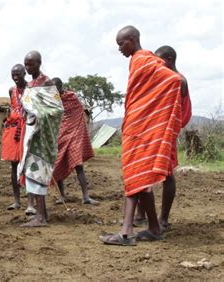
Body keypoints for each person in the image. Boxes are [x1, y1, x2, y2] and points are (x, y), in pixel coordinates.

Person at [100, 26, 183, 246]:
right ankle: (154, 228)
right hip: (137, 129)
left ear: (133, 39)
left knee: (135, 176)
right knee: (139, 178)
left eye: (121, 44)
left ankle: (126, 232)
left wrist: (154, 116)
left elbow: (174, 80)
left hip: (142, 131)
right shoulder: (138, 60)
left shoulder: (143, 59)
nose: (119, 49)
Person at [133, 45, 192, 230]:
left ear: (169, 60)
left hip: (166, 133)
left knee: (167, 174)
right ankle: (140, 215)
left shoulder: (178, 80)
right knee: (145, 171)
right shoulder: (163, 79)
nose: (156, 65)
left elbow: (173, 110)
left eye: (160, 61)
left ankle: (163, 219)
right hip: (152, 131)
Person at [19, 51, 63, 227]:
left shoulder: (48, 83)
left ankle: (41, 218)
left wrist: (39, 114)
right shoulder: (30, 85)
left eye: (31, 64)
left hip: (43, 136)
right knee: (32, 173)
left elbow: (58, 110)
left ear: (39, 63)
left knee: (39, 173)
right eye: (26, 64)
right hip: (31, 134)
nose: (28, 68)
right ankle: (41, 213)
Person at [51, 77, 99, 206]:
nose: (54, 92)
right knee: (58, 164)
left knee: (79, 165)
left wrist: (77, 133)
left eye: (56, 89)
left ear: (61, 87)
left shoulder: (72, 98)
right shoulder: (52, 101)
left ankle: (86, 196)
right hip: (60, 136)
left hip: (75, 136)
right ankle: (62, 196)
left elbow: (79, 116)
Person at [1, 64, 35, 214]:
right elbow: (13, 108)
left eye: (18, 74)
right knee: (14, 166)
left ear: (24, 73)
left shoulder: (32, 89)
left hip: (28, 129)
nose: (15, 78)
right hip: (15, 131)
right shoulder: (11, 91)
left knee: (28, 164)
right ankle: (16, 201)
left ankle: (31, 204)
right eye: (13, 74)